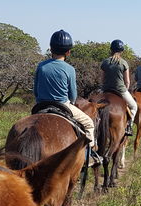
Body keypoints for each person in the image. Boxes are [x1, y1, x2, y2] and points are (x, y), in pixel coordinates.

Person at [34, 29, 102, 166]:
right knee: (89, 124)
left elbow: (35, 90)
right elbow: (73, 95)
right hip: (63, 105)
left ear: (50, 48)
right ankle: (88, 157)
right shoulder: (69, 69)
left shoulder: (41, 66)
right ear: (68, 52)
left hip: (41, 105)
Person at [100, 39, 138, 136]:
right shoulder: (124, 63)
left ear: (111, 50)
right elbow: (127, 81)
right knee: (134, 106)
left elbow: (102, 79)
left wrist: (103, 88)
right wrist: (126, 89)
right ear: (121, 51)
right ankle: (129, 126)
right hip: (120, 90)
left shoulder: (105, 62)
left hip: (105, 90)